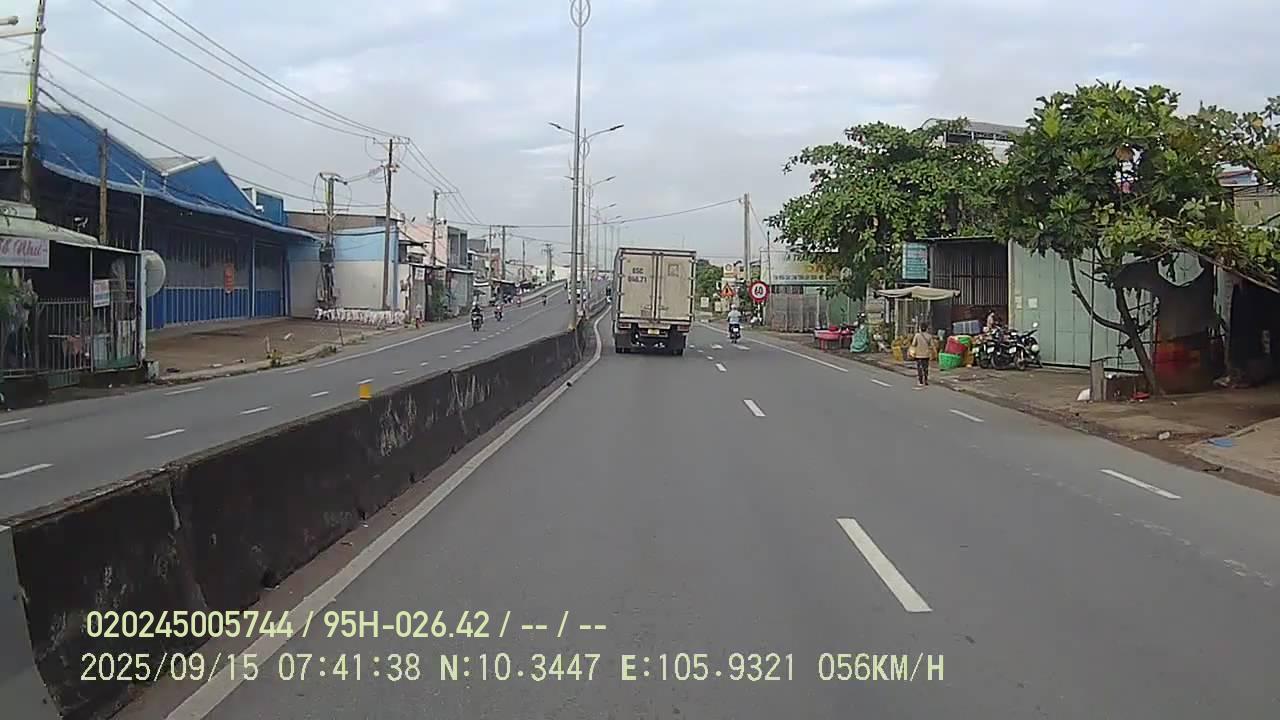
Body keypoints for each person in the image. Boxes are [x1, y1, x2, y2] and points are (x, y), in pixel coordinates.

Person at [910, 323, 933, 388]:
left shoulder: (917, 335)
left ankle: (920, 381)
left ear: (920, 328)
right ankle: (926, 380)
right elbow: (932, 345)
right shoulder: (929, 336)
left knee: (919, 368)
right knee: (926, 368)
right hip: (926, 355)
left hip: (918, 355)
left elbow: (913, 344)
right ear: (927, 329)